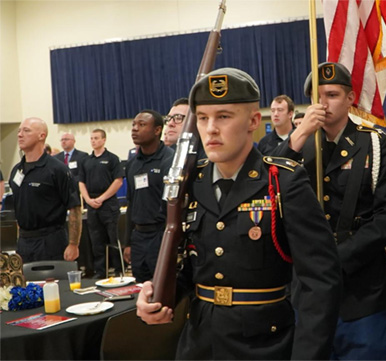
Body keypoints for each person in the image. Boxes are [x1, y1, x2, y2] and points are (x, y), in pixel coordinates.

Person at [136, 68, 342, 360]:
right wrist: (157, 297)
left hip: (265, 346)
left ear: (254, 121)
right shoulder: (190, 183)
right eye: (203, 118)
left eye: (223, 116)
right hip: (200, 344)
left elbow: (320, 282)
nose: (210, 129)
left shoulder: (283, 181)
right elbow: (189, 267)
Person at [274, 62, 386, 360]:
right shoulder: (299, 145)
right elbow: (270, 192)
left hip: (361, 286)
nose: (323, 103)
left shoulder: (373, 144)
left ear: (350, 98)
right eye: (316, 96)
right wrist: (299, 135)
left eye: (332, 94)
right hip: (307, 288)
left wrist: (338, 259)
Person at [9, 117, 81, 262]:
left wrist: (73, 244)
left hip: (51, 241)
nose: (20, 134)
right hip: (24, 242)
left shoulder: (57, 169)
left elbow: (75, 208)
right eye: (19, 131)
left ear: (42, 136)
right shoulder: (17, 170)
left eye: (26, 130)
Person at [123, 110, 174, 283]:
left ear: (157, 130)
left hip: (160, 234)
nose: (135, 129)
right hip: (138, 236)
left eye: (142, 125)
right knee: (140, 288)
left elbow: (172, 205)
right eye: (134, 125)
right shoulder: (132, 164)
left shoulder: (169, 160)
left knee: (163, 287)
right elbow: (131, 203)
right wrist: (127, 242)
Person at [79, 129, 124, 279]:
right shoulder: (86, 160)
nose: (93, 141)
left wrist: (102, 198)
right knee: (96, 241)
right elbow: (81, 182)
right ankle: (100, 272)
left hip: (108, 204)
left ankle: (118, 270)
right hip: (91, 204)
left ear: (104, 140)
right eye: (91, 138)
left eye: (96, 138)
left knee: (113, 238)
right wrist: (88, 200)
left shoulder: (112, 159)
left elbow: (118, 181)